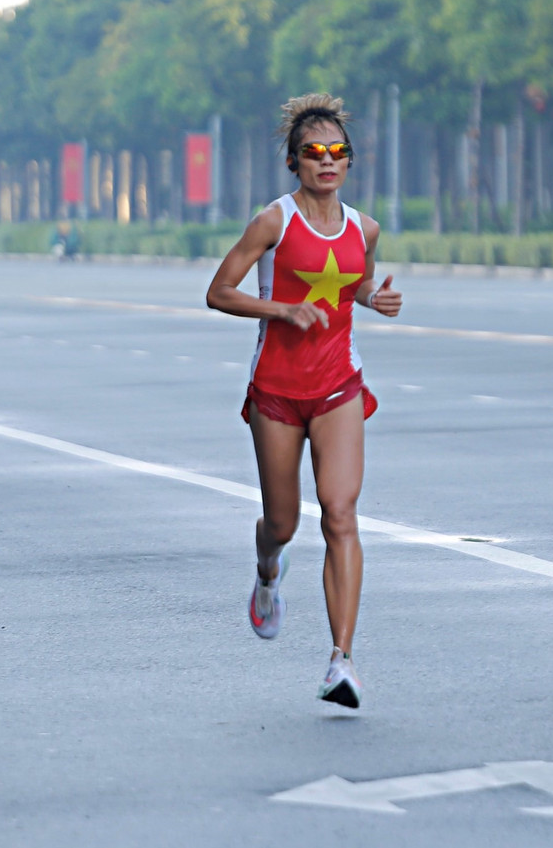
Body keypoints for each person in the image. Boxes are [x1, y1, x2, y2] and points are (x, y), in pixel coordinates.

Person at [206, 94, 402, 709]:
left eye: (337, 152)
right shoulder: (275, 222)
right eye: (314, 152)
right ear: (294, 162)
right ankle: (268, 570)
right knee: (284, 523)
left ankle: (341, 661)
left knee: (340, 514)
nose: (327, 161)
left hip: (339, 385)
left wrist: (373, 299)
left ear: (350, 163)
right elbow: (219, 291)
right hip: (277, 391)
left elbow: (354, 281)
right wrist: (281, 309)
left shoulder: (364, 228)